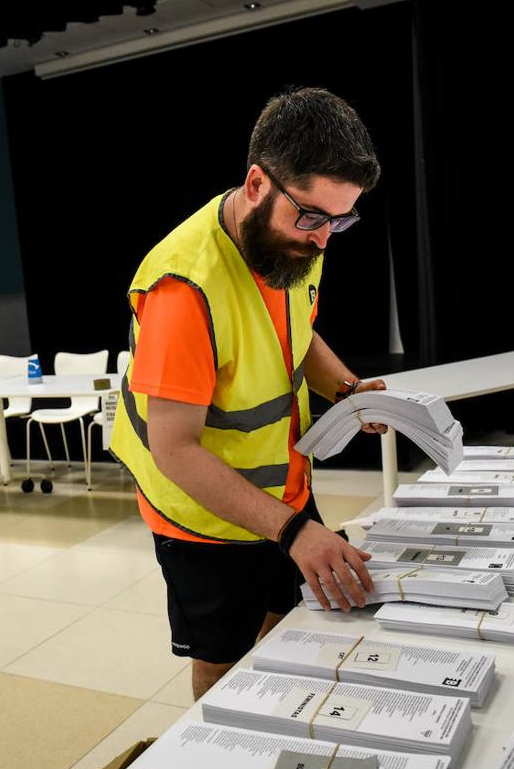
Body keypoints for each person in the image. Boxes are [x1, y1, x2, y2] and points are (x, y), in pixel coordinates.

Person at [110, 88, 389, 700]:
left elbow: (296, 332)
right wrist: (292, 533)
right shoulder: (185, 287)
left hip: (282, 492)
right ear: (258, 183)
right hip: (204, 519)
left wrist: (344, 390)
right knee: (224, 661)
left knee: (286, 621)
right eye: (313, 217)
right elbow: (175, 450)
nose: (323, 241)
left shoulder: (292, 240)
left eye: (341, 220)